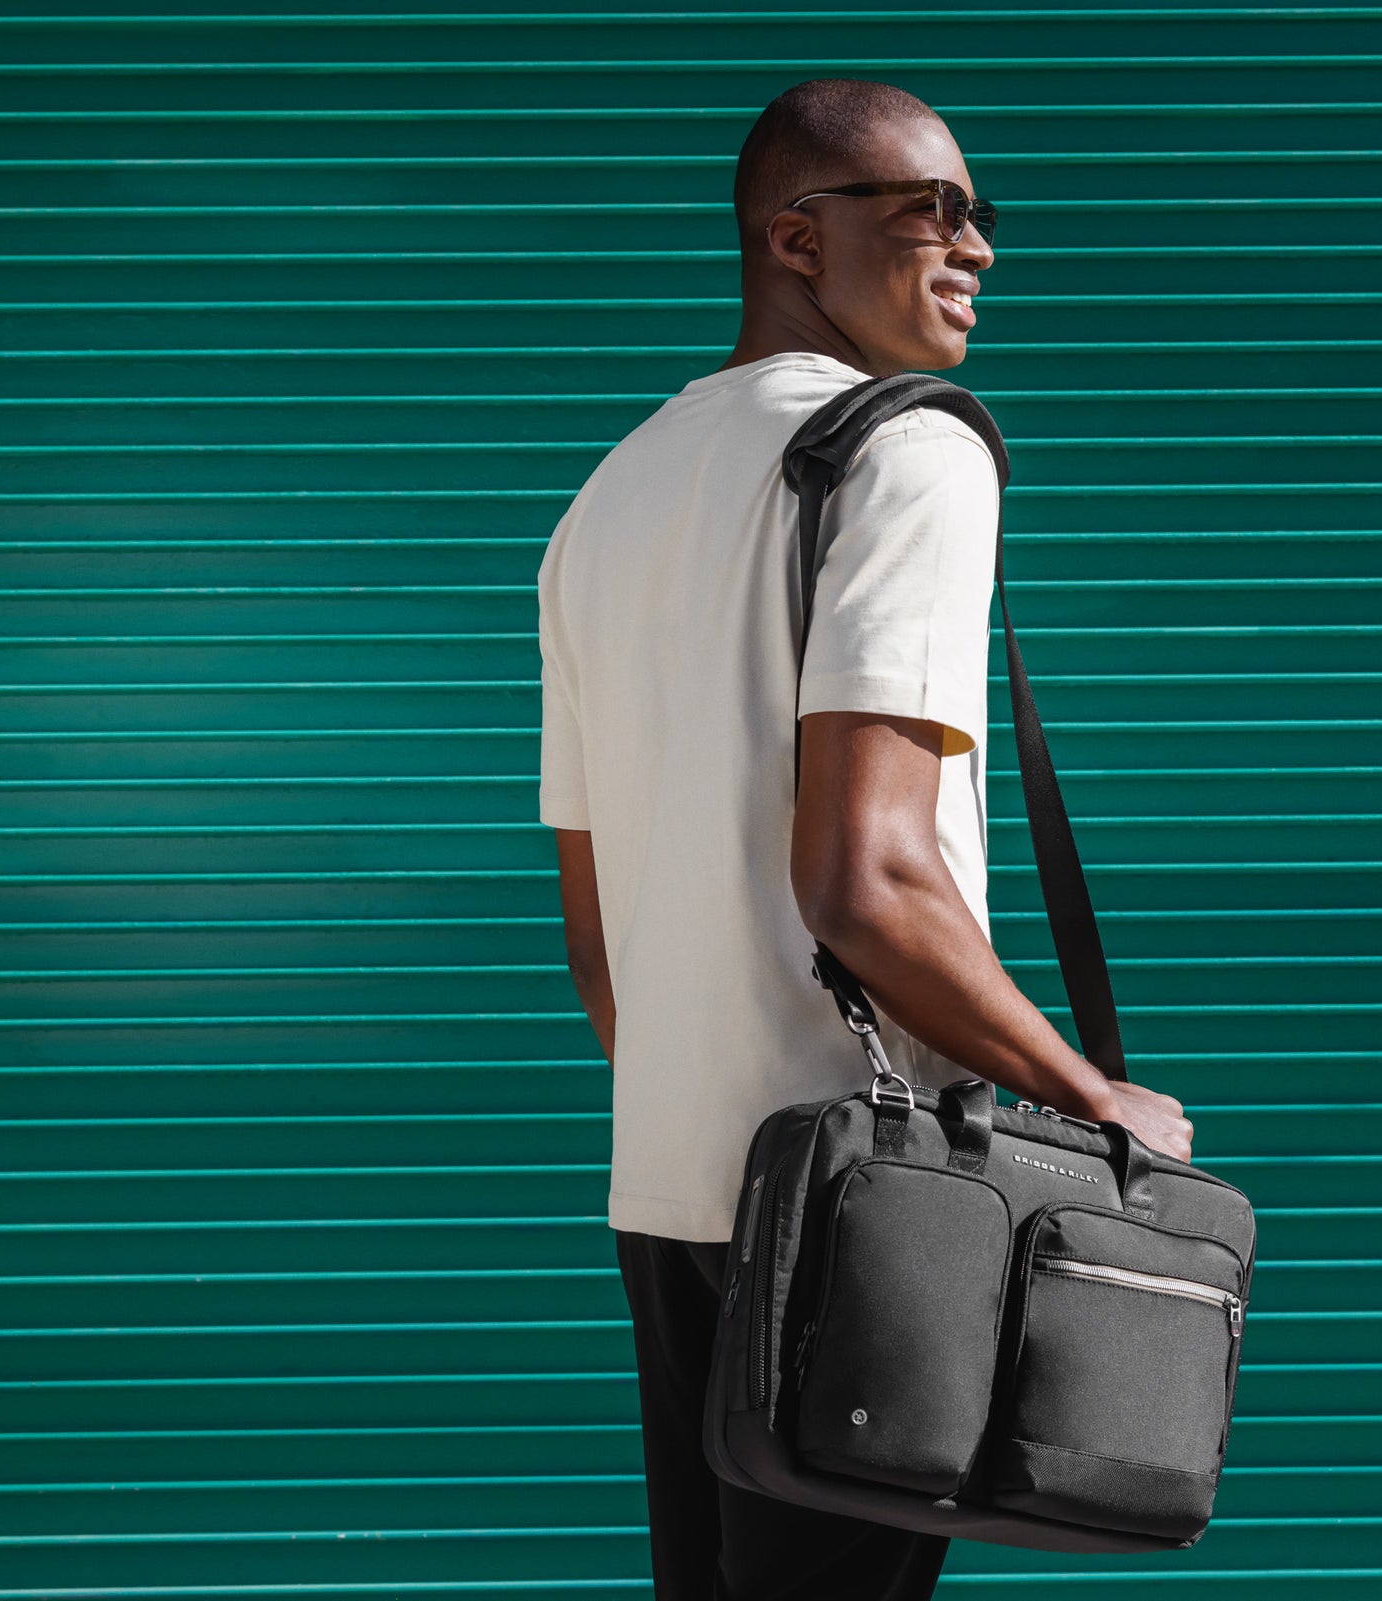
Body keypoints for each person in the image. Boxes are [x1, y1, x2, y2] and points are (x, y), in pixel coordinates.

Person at [536, 78, 1194, 1601]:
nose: (973, 245)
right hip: (870, 1201)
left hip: (679, 1194)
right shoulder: (909, 451)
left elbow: (603, 958)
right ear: (793, 236)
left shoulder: (605, 504)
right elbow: (867, 875)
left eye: (981, 213)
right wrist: (1092, 1097)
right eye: (927, 209)